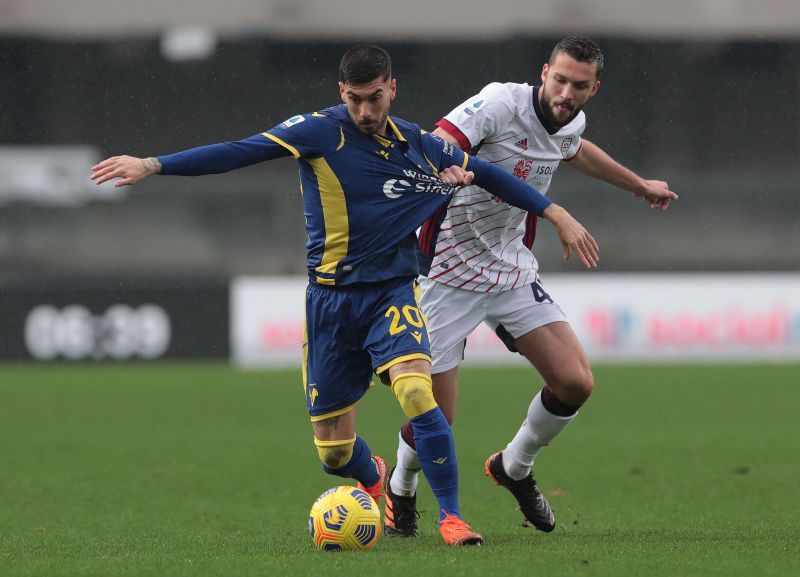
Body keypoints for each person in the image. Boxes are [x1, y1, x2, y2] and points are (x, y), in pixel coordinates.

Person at [90, 45, 599, 546]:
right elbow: (239, 151)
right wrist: (154, 164)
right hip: (331, 303)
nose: (365, 111)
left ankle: (452, 518)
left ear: (392, 90)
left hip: (392, 294)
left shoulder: (418, 143)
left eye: (374, 98)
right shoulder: (319, 131)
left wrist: (554, 213)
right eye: (354, 99)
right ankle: (376, 473)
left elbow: (487, 172)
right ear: (341, 92)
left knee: (420, 396)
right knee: (332, 453)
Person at [384, 37, 678, 537]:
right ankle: (401, 486)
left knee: (575, 383)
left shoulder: (571, 121)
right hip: (446, 274)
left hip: (510, 269)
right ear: (544, 72)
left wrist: (638, 185)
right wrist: (450, 160)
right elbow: (437, 139)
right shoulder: (500, 102)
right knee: (437, 415)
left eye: (579, 85)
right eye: (559, 79)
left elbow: (575, 151)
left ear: (593, 88)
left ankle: (513, 466)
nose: (566, 92)